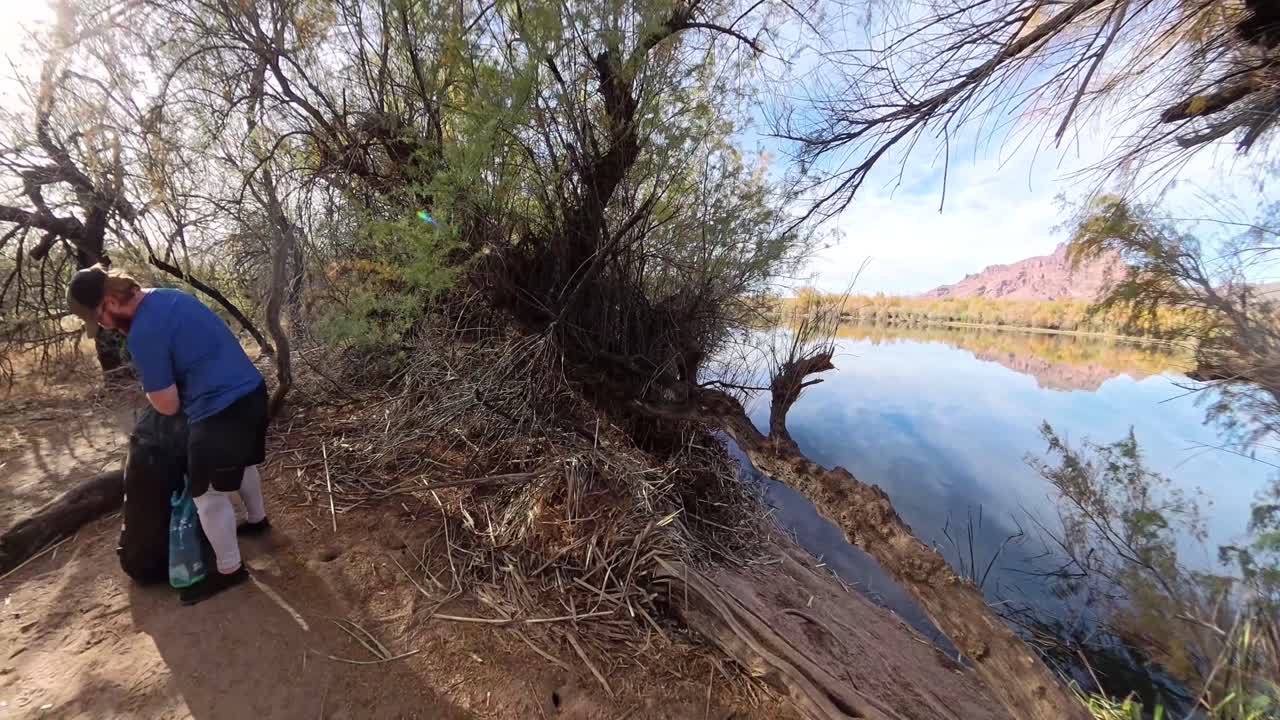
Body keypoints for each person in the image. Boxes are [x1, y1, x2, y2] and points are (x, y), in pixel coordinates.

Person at [67, 264, 270, 605]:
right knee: (244, 460)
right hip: (252, 393)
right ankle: (257, 520)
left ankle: (229, 570)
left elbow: (167, 404)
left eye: (98, 318)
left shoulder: (143, 332)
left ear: (110, 303)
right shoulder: (168, 296)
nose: (102, 327)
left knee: (206, 495)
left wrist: (151, 387)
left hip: (220, 411)